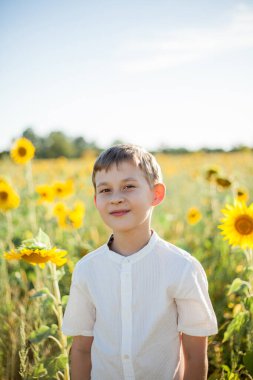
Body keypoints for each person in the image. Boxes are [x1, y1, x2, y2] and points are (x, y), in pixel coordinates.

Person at [62, 144, 218, 380]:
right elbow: (82, 350)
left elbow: (195, 356)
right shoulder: (87, 270)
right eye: (105, 190)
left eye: (128, 186)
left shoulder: (183, 268)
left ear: (156, 194)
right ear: (96, 201)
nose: (116, 198)